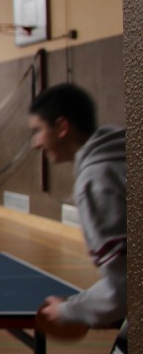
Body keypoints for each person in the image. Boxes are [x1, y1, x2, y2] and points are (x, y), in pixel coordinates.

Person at [29, 84, 126, 337]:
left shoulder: (97, 181)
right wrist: (95, 306)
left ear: (62, 127)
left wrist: (69, 311)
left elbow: (127, 285)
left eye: (38, 130)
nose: (35, 143)